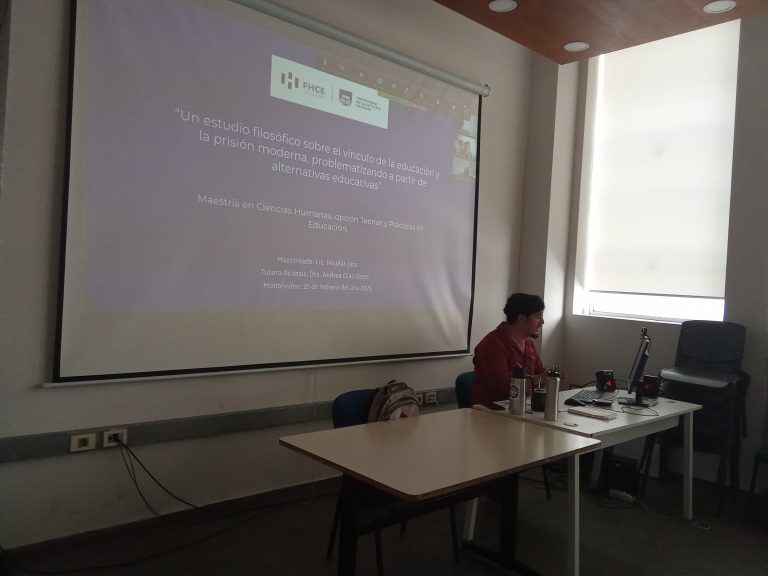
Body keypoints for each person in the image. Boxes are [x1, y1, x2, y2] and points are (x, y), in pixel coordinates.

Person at [471, 293, 547, 405]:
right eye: (537, 316)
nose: (542, 322)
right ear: (521, 318)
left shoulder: (529, 344)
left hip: (523, 407)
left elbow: (540, 374)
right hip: (492, 411)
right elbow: (502, 387)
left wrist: (549, 379)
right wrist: (540, 379)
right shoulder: (492, 344)